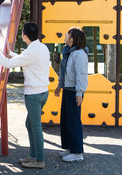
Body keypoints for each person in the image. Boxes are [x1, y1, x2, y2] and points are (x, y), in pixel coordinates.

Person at [0, 22, 50, 169]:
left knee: (35, 126)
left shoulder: (30, 52)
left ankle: (39, 160)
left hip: (33, 95)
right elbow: (26, 60)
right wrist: (11, 53)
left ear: (25, 36)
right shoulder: (42, 48)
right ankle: (33, 156)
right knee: (30, 125)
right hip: (42, 92)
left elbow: (7, 64)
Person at [54, 27, 88, 162]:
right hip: (68, 89)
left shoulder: (79, 54)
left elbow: (82, 75)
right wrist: (59, 86)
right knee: (66, 120)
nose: (65, 35)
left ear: (72, 39)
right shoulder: (69, 52)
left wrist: (79, 93)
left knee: (73, 121)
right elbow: (64, 72)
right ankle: (70, 148)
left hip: (74, 91)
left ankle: (77, 152)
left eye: (68, 33)